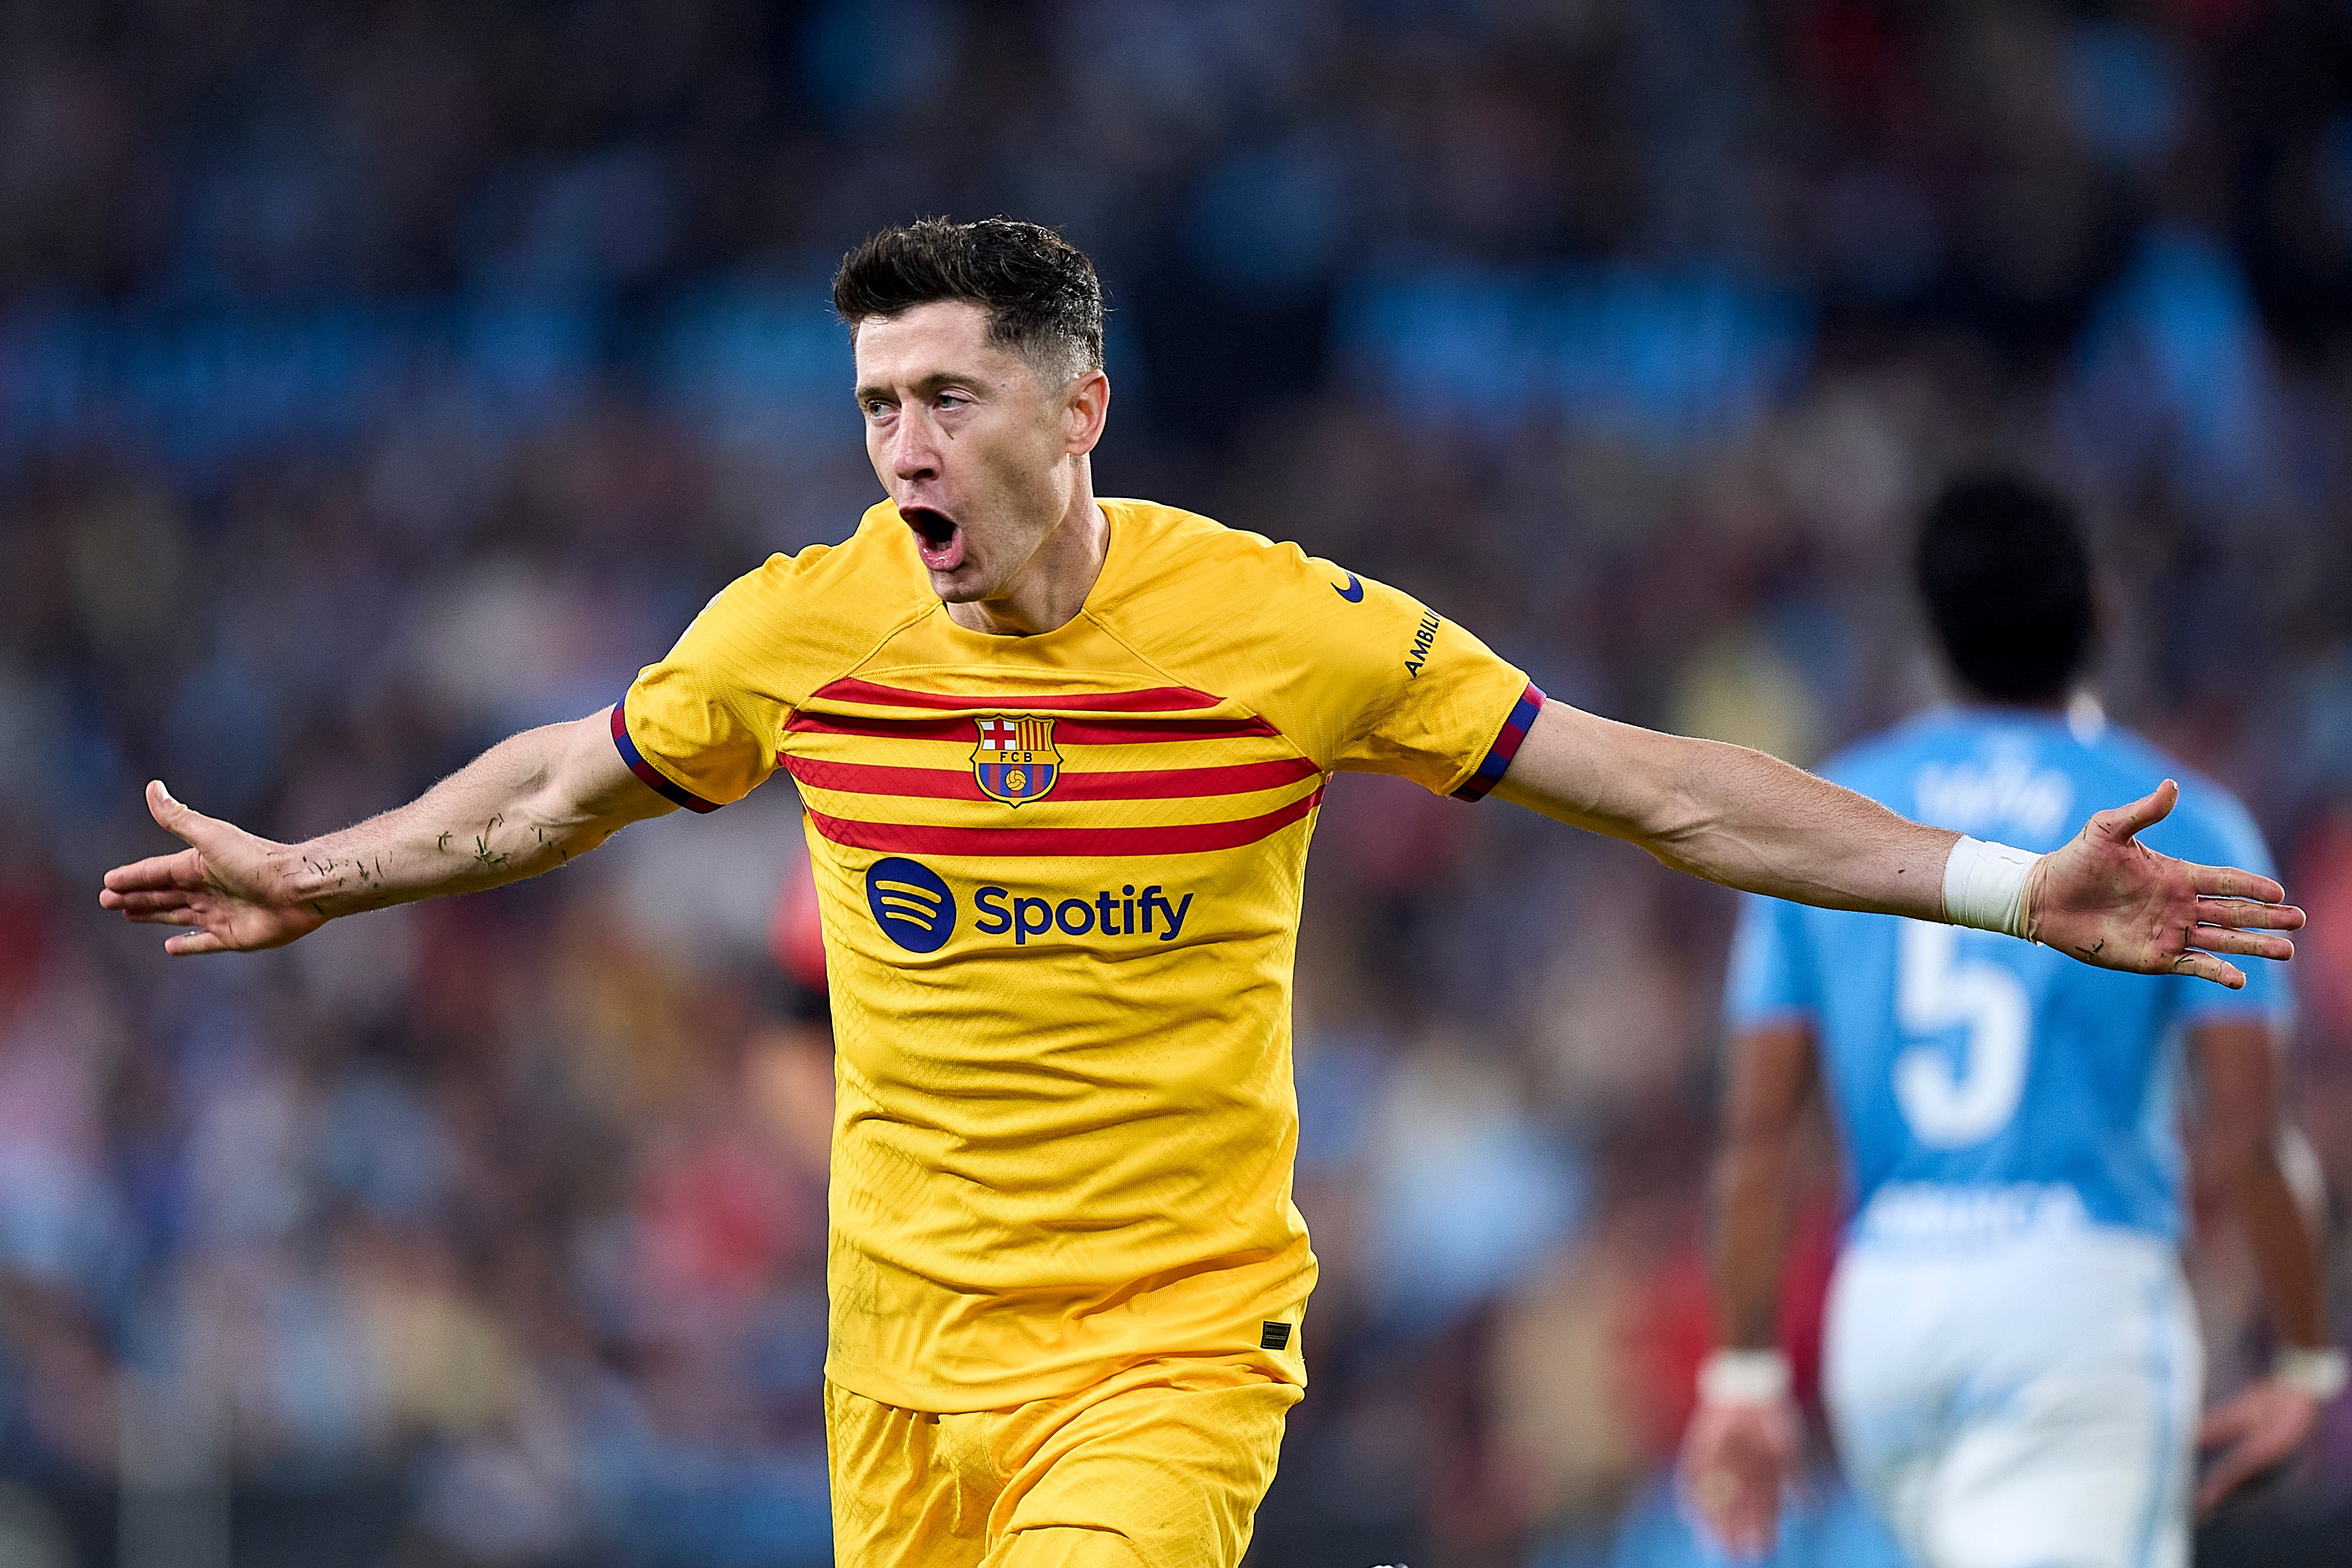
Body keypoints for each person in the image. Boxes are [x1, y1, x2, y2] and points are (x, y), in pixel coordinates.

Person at [99, 221, 2302, 1568]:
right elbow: (557, 786)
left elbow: (1664, 798)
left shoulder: (1287, 632)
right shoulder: (799, 627)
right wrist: (325, 872)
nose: (902, 452)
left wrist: (2013, 885)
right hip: (899, 1359)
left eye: (949, 398)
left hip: (1162, 1345)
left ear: (1084, 412)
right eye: (876, 404)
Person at [1676, 472, 2341, 1568]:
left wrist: (1743, 1375)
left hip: (1884, 1310)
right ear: (2104, 611)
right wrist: (2306, 1360)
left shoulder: (1827, 821)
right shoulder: (2180, 817)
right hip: (2076, 1305)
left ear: (1931, 630)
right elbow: (2250, 1138)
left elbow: (1757, 1141)